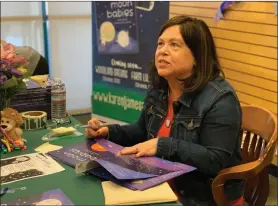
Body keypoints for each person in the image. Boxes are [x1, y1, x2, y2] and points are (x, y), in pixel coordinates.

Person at [86, 15, 244, 206]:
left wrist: (163, 145)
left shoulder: (220, 99)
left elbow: (214, 160)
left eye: (174, 45)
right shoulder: (160, 89)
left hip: (201, 196)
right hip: (158, 184)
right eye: (160, 44)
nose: (163, 51)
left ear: (197, 56)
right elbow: (142, 131)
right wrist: (109, 131)